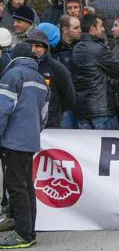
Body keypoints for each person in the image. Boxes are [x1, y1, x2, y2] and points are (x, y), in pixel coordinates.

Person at [0, 43, 49, 249]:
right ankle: (29, 230)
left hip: (12, 140)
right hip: (29, 141)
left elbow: (2, 110)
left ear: (14, 56)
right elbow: (44, 115)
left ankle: (23, 233)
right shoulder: (40, 80)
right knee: (26, 186)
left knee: (16, 187)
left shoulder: (12, 76)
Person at [71, 14, 119, 130]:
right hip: (101, 111)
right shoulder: (98, 48)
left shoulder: (76, 48)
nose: (104, 29)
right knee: (108, 146)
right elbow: (118, 71)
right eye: (101, 26)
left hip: (82, 110)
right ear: (92, 29)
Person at [26, 29, 75, 130]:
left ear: (46, 47)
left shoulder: (57, 68)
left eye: (37, 46)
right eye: (31, 46)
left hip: (51, 123)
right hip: (28, 122)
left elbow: (69, 96)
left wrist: (54, 111)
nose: (33, 50)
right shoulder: (25, 66)